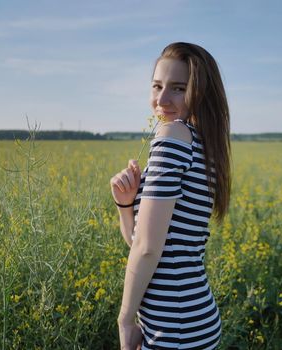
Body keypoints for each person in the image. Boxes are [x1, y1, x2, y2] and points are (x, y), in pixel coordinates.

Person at [110, 42, 231, 350]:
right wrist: (126, 204)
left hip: (173, 327)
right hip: (189, 320)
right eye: (157, 86)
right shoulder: (205, 146)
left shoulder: (174, 136)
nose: (161, 99)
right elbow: (145, 242)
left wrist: (125, 321)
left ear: (201, 92)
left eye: (178, 88)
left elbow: (149, 249)